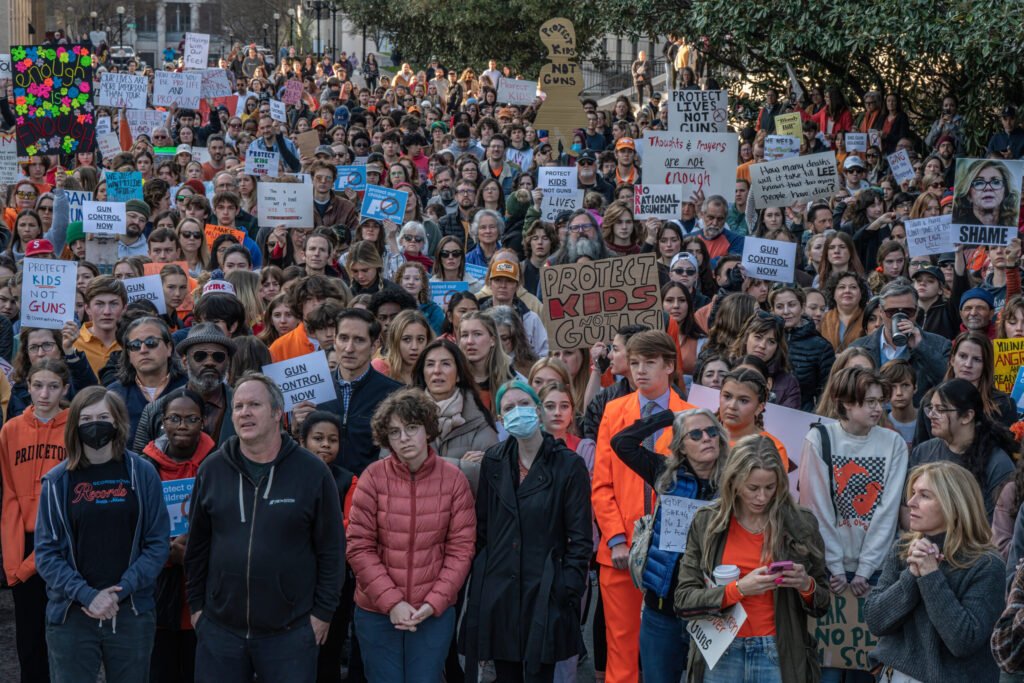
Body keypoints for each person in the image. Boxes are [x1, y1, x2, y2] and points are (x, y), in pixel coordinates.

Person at [186, 373, 345, 682]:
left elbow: (332, 550)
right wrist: (197, 609)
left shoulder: (312, 472)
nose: (244, 412)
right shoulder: (212, 469)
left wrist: (322, 615)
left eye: (255, 405)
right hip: (220, 632)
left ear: (276, 413)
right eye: (238, 406)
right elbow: (196, 547)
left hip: (291, 634)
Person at [461, 380, 593, 683]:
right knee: (505, 674)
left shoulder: (568, 464)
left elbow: (580, 539)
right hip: (500, 588)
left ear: (536, 408)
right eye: (509, 408)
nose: (517, 412)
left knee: (540, 674)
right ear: (501, 418)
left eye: (523, 404)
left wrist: (567, 587)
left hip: (546, 587)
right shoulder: (494, 460)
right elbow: (484, 527)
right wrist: (484, 578)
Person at [35, 387, 170, 683]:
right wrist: (88, 595)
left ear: (118, 421)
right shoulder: (57, 481)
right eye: (85, 418)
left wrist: (121, 589)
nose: (94, 424)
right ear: (74, 426)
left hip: (131, 612)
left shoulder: (142, 473)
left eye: (102, 417)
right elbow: (46, 554)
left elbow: (157, 543)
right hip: (72, 614)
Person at [347, 387, 476, 682]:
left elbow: (461, 548)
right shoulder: (373, 477)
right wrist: (392, 602)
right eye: (394, 432)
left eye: (412, 428)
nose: (404, 438)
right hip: (377, 612)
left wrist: (434, 602)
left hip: (432, 612)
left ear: (428, 429)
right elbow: (359, 547)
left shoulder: (454, 479)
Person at [675, 435, 829, 682]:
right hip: (721, 650)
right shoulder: (708, 522)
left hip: (777, 651)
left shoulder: (800, 523)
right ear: (734, 482)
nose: (762, 497)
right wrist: (738, 589)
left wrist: (805, 585)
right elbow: (683, 600)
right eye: (753, 488)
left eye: (770, 487)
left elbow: (822, 604)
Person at [592, 330, 694, 683]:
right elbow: (602, 483)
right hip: (620, 551)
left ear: (669, 365)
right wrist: (616, 538)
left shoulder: (692, 416)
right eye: (634, 363)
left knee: (666, 653)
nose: (640, 371)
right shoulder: (614, 410)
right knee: (620, 648)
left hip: (672, 554)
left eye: (649, 363)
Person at [797, 367, 907, 683]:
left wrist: (866, 568)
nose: (877, 408)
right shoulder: (820, 438)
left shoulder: (893, 443)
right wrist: (834, 566)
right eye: (868, 401)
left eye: (879, 401)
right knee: (828, 668)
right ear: (845, 403)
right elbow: (815, 507)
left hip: (873, 571)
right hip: (830, 570)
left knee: (864, 669)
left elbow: (887, 510)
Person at [610, 407, 728, 683]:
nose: (706, 439)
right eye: (695, 434)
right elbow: (621, 443)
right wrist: (667, 416)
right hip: (662, 609)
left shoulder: (733, 480)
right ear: (681, 446)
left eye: (712, 432)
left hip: (711, 609)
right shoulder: (665, 471)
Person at [864, 461, 1006, 683]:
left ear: (954, 505)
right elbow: (875, 621)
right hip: (894, 676)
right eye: (912, 493)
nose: (911, 503)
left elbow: (963, 641)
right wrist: (911, 575)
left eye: (924, 495)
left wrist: (931, 575)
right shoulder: (902, 550)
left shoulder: (986, 565)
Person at [0, 359, 70, 683]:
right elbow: (10, 495)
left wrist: (40, 556)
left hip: (62, 545)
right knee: (28, 639)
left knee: (63, 636)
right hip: (23, 542)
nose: (44, 393)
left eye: (53, 386)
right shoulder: (11, 430)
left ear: (65, 389)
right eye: (38, 385)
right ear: (26, 386)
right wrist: (17, 561)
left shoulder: (74, 429)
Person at [142, 388, 216, 683]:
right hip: (158, 587)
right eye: (174, 418)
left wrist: (196, 551)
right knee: (160, 670)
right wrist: (164, 550)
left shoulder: (219, 462)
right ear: (162, 421)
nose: (182, 425)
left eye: (191, 418)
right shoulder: (144, 466)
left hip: (206, 589)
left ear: (203, 422)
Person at [295, 308, 402, 475]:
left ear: (374, 345)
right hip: (321, 488)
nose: (349, 348)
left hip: (372, 490)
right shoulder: (313, 387)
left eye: (359, 340)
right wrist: (297, 424)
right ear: (335, 341)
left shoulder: (394, 394)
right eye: (343, 338)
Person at [297, 411, 358, 683]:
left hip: (334, 581)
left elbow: (349, 527)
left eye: (332, 440)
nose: (325, 445)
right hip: (294, 580)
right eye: (318, 438)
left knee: (329, 651)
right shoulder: (287, 474)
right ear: (302, 441)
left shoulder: (348, 480)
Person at [911, 378, 1015, 519]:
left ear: (967, 416)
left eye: (940, 409)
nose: (931, 416)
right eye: (931, 408)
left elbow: (997, 529)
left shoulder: (998, 464)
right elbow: (907, 509)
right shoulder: (922, 452)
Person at [133, 324, 238, 451]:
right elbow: (139, 464)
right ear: (184, 362)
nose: (210, 362)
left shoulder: (242, 406)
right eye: (200, 356)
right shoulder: (155, 411)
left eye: (218, 357)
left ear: (228, 362)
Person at [851, 281, 950, 404]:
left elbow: (949, 385)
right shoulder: (858, 347)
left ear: (917, 310)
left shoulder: (938, 345)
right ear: (881, 312)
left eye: (907, 312)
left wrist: (922, 347)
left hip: (917, 419)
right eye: (892, 312)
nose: (899, 317)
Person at [412, 338, 498, 476]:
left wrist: (423, 466)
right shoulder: (404, 415)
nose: (437, 371)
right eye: (430, 364)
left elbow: (492, 472)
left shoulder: (478, 418)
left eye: (445, 364)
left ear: (458, 374)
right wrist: (461, 466)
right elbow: (393, 469)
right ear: (423, 372)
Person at [107, 317, 188, 445]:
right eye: (135, 345)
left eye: (151, 342)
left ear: (169, 348)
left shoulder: (189, 388)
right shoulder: (114, 395)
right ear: (129, 354)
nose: (143, 350)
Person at [952, 158, 1021, 227]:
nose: (988, 188)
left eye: (996, 182)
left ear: (1005, 191)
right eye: (979, 183)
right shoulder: (956, 228)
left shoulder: (1014, 231)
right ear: (968, 195)